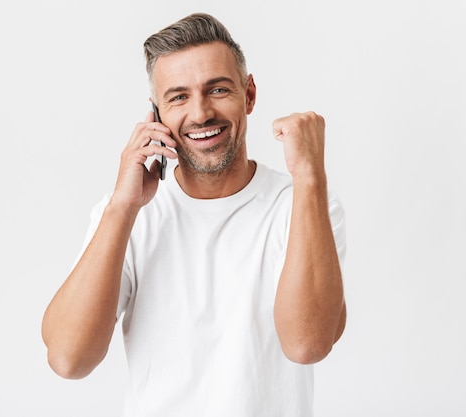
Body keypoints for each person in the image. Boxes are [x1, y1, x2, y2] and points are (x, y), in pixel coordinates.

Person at [42, 12, 346, 416]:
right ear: (156, 113)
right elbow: (68, 359)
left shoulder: (304, 204)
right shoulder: (128, 214)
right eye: (179, 96)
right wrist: (122, 207)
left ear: (249, 94)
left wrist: (309, 174)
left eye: (218, 89)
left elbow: (308, 343)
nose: (201, 113)